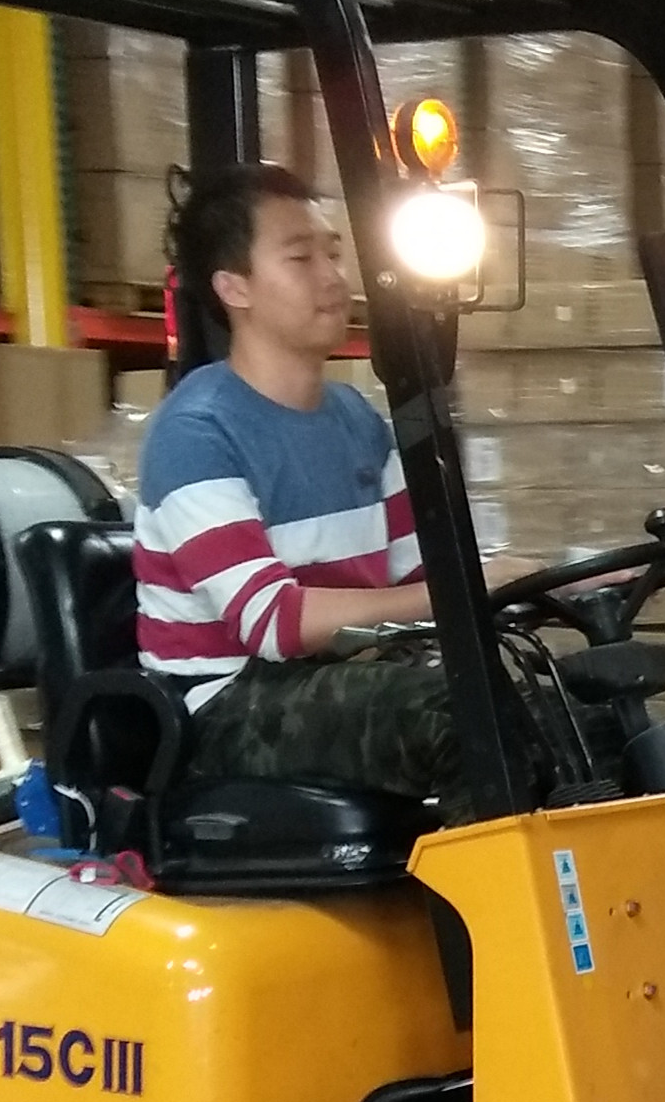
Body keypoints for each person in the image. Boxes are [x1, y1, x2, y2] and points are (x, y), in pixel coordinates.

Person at [134, 163, 457, 798]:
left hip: (345, 671)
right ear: (234, 287)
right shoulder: (196, 434)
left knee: (570, 710)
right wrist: (460, 592)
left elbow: (417, 577)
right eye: (301, 258)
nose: (333, 278)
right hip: (226, 709)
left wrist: (544, 580)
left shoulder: (358, 420)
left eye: (333, 254)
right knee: (458, 720)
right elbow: (273, 621)